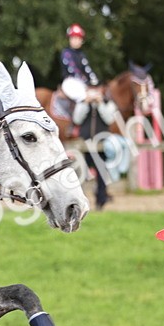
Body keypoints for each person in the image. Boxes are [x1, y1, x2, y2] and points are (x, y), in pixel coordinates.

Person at [58, 23, 115, 209]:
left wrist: (94, 83)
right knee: (82, 95)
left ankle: (100, 198)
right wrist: (88, 92)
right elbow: (72, 71)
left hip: (97, 138)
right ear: (70, 39)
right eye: (74, 38)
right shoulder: (66, 53)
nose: (76, 41)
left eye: (78, 38)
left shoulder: (82, 55)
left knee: (98, 167)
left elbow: (88, 70)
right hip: (71, 82)